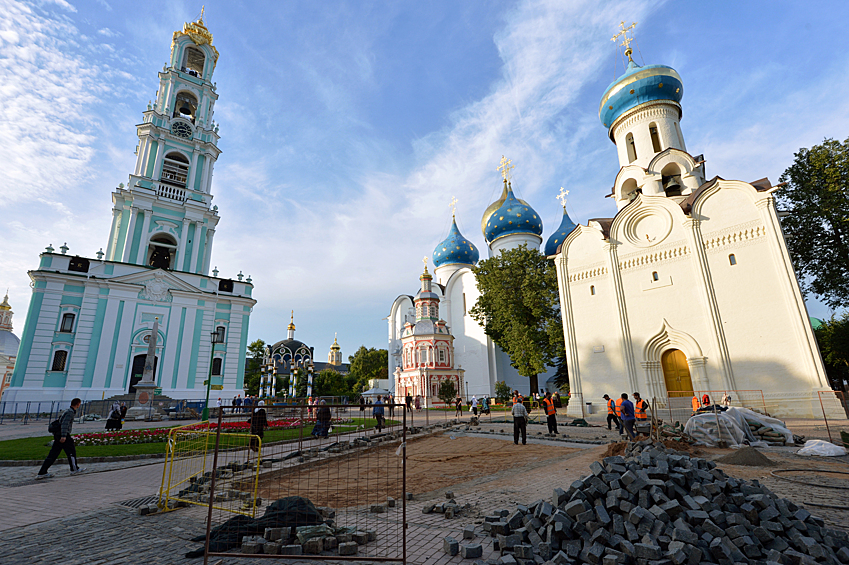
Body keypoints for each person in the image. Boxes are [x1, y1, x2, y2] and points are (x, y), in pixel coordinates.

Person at [37, 398, 84, 479]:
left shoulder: (68, 411)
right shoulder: (70, 412)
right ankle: (74, 469)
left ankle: (42, 472)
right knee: (71, 452)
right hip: (63, 435)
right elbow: (64, 425)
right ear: (77, 404)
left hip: (58, 435)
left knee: (53, 454)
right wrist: (63, 436)